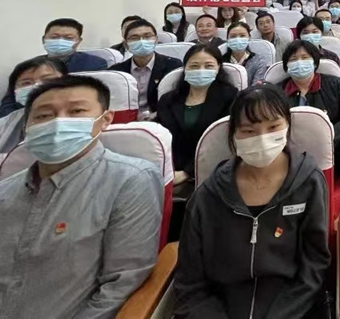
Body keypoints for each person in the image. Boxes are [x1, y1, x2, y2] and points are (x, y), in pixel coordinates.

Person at [0, 75, 162, 319]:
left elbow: (120, 286)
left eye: (76, 111)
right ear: (27, 127)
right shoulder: (5, 190)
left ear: (105, 120)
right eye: (43, 116)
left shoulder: (130, 180)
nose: (58, 122)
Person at [173, 84, 330, 319]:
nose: (262, 139)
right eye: (249, 131)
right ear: (234, 135)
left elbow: (314, 268)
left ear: (287, 127)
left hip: (292, 310)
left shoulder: (308, 183)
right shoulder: (208, 196)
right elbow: (190, 282)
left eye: (273, 127)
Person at [157, 44, 239, 194]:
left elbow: (222, 143)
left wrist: (187, 172)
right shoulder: (168, 100)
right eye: (194, 66)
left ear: (218, 68)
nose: (201, 70)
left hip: (214, 172)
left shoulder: (231, 97)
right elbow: (162, 139)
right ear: (185, 68)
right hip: (170, 171)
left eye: (209, 66)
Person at [282, 40, 340, 144]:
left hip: (329, 144)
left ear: (315, 62)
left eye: (305, 58)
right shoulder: (277, 92)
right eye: (293, 59)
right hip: (291, 146)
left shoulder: (334, 84)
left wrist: (325, 136)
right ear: (286, 66)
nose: (299, 63)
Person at [109, 18, 183, 118]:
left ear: (156, 40)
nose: (141, 41)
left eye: (147, 36)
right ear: (126, 44)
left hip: (160, 119)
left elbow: (178, 100)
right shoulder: (116, 72)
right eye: (134, 38)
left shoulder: (173, 66)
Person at [0, 57, 67, 152]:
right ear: (14, 90)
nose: (37, 86)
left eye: (48, 80)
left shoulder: (79, 120)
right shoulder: (6, 122)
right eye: (26, 83)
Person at [40, 18, 108, 73]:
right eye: (54, 37)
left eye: (68, 38)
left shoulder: (95, 64)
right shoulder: (35, 64)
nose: (60, 41)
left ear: (78, 41)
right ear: (43, 40)